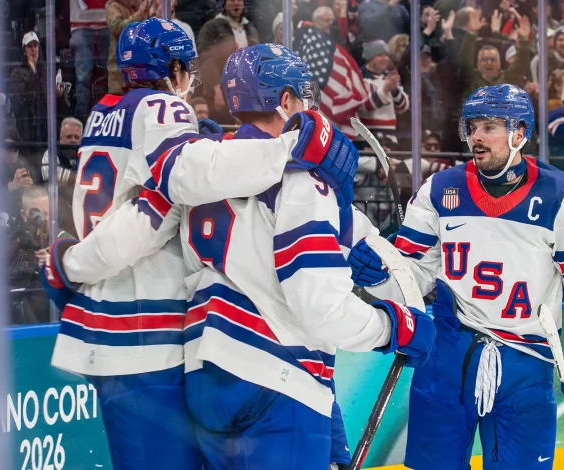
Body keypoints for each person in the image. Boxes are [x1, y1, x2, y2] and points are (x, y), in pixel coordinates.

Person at [39, 20, 361, 470]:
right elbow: (168, 193)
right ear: (172, 69)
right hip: (145, 332)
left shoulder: (104, 112)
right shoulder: (163, 107)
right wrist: (292, 146)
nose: (189, 79)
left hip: (115, 330)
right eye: (186, 67)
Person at [178, 44, 436, 470]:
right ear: (284, 102)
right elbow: (322, 308)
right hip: (276, 380)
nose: (309, 107)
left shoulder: (209, 164)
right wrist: (393, 327)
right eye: (302, 95)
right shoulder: (303, 177)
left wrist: (371, 260)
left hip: (204, 375)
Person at [348, 84, 564, 469]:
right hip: (446, 356)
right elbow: (415, 278)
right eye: (472, 126)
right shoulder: (440, 189)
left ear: (519, 134)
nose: (477, 136)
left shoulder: (560, 196)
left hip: (527, 361)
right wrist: (378, 278)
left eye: (490, 126)